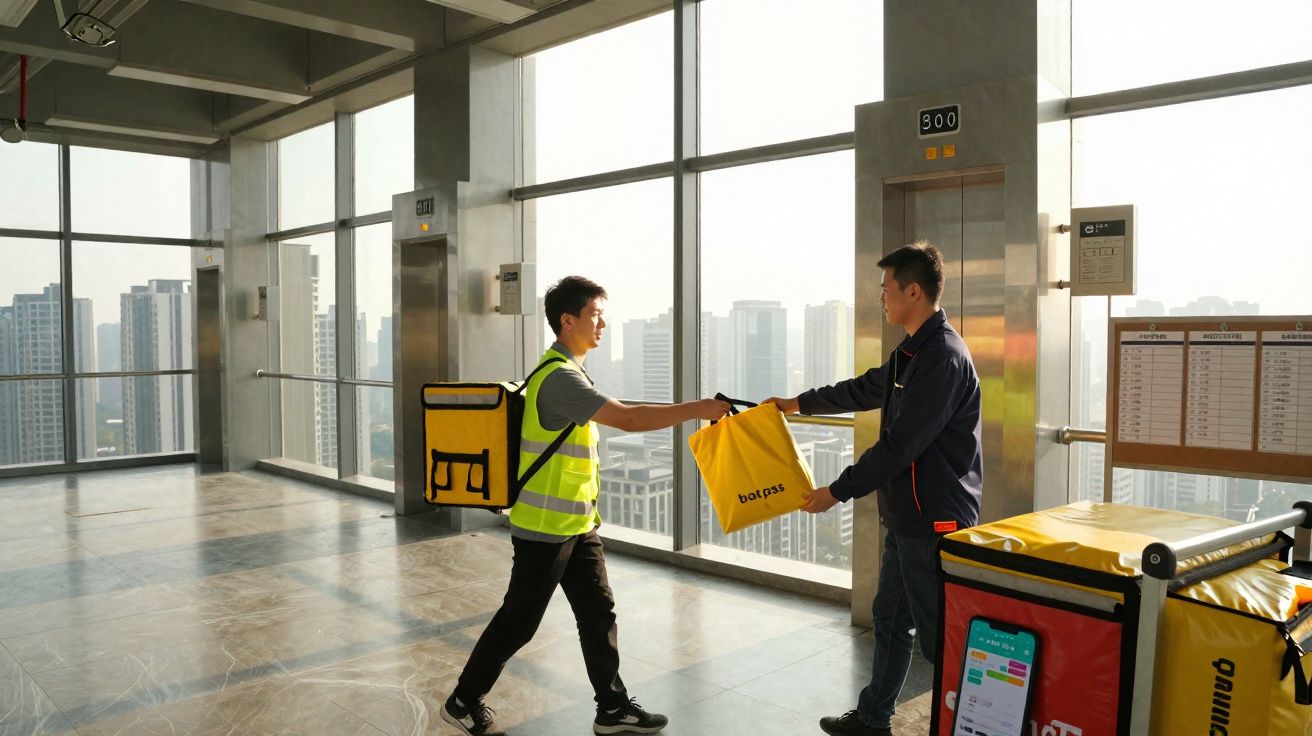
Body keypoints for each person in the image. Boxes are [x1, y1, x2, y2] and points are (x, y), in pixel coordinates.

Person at [441, 275, 731, 736]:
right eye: (595, 315)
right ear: (567, 320)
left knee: (598, 613)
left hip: (576, 523)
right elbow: (629, 418)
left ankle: (612, 708)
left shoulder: (569, 372)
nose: (603, 324)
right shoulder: (558, 378)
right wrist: (696, 408)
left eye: (602, 315)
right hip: (544, 526)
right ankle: (463, 699)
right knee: (519, 622)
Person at [764, 242, 983, 736]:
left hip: (934, 520)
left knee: (939, 638)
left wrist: (836, 492)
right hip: (908, 516)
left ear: (912, 291)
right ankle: (872, 716)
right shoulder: (912, 352)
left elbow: (899, 446)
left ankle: (965, 725)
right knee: (889, 617)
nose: (880, 299)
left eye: (885, 290)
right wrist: (798, 403)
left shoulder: (942, 358)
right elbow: (865, 388)